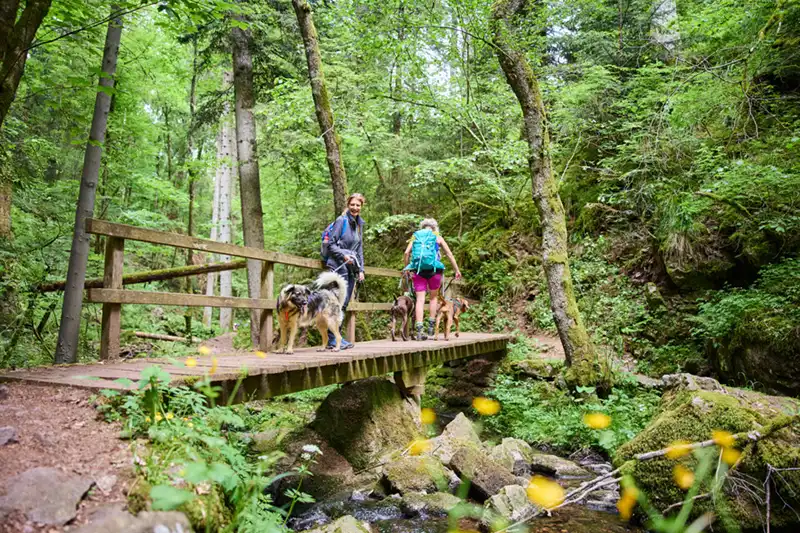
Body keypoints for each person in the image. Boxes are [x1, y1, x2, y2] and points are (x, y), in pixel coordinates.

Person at [403, 218, 462, 341]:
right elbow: (449, 254)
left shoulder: (416, 236)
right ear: (435, 227)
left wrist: (407, 268)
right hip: (434, 271)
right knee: (433, 298)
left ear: (422, 227)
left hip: (418, 271)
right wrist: (456, 270)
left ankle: (419, 330)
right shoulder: (437, 236)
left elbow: (406, 253)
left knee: (420, 299)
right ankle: (431, 325)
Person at [325, 193, 366, 349]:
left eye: (358, 205)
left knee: (344, 303)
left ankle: (337, 338)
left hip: (351, 268)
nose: (355, 208)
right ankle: (332, 340)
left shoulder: (359, 224)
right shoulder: (341, 221)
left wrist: (361, 269)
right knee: (336, 303)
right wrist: (343, 256)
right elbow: (331, 244)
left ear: (361, 207)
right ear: (348, 205)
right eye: (352, 205)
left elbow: (359, 248)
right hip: (338, 266)